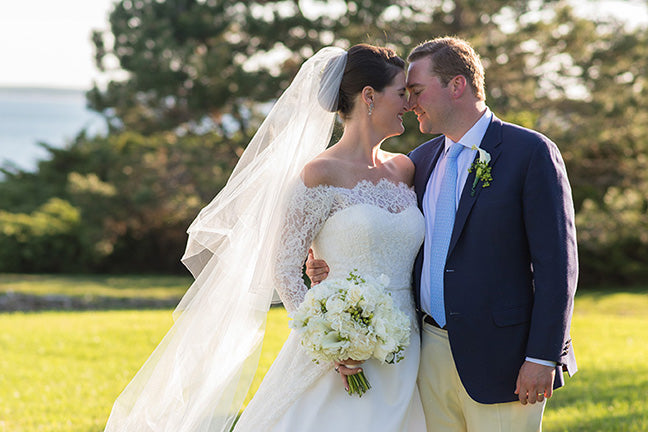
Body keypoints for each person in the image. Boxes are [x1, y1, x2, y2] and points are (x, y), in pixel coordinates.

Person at [104, 44, 426, 432]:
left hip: (406, 347)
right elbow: (285, 267)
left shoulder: (405, 169)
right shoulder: (320, 173)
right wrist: (332, 343)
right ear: (369, 97)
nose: (409, 103)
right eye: (401, 92)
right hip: (341, 357)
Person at [307, 37, 578, 432]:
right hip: (423, 353)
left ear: (457, 86)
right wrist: (318, 262)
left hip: (502, 358)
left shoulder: (530, 152)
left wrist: (542, 357)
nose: (410, 102)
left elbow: (559, 266)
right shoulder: (420, 161)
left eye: (416, 91)